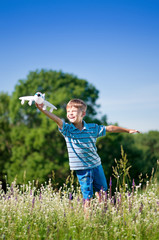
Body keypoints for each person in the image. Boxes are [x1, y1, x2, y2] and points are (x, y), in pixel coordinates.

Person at [36, 99, 140, 206]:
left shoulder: (92, 128)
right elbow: (56, 119)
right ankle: (88, 220)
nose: (70, 113)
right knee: (87, 197)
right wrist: (42, 109)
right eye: (68, 111)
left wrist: (127, 130)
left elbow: (110, 128)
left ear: (83, 113)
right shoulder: (67, 129)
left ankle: (102, 216)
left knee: (103, 193)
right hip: (81, 168)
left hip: (96, 165)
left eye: (74, 111)